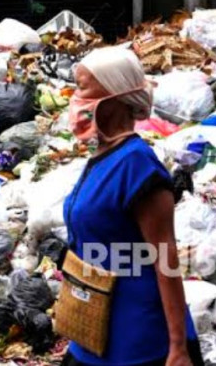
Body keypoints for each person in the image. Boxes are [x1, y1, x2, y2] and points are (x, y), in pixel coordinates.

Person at [62, 47, 202, 366]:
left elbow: (166, 261)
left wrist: (177, 347)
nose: (75, 97)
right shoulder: (103, 157)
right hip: (92, 329)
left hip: (140, 341)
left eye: (83, 87)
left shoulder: (138, 166)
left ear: (114, 95)